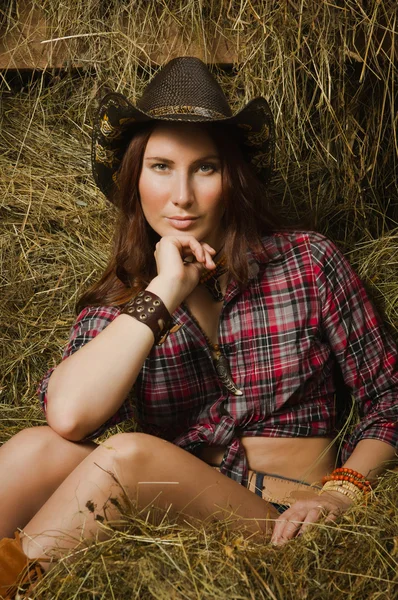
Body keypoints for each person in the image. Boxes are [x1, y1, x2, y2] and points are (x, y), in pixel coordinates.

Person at [0, 56, 397, 597]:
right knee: (34, 448)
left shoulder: (307, 263)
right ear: (134, 180)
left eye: (204, 167)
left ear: (230, 178)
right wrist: (165, 291)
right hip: (184, 521)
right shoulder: (125, 302)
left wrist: (341, 492)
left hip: (286, 518)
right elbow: (67, 416)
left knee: (128, 457)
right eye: (160, 166)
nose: (181, 196)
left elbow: (389, 398)